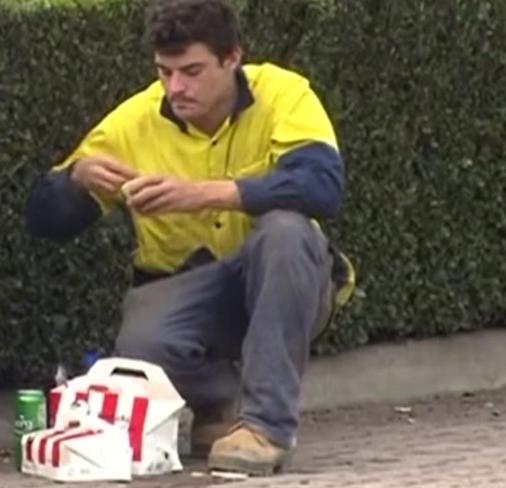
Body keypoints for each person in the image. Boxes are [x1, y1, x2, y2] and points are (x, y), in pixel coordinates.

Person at [26, 0, 355, 476]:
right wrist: (74, 180)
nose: (176, 87)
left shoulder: (284, 94)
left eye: (192, 71)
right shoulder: (131, 122)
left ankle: (266, 428)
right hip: (188, 296)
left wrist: (201, 194)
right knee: (140, 344)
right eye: (165, 71)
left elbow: (322, 187)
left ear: (232, 57)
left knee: (286, 230)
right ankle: (219, 405)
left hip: (286, 280)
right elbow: (43, 222)